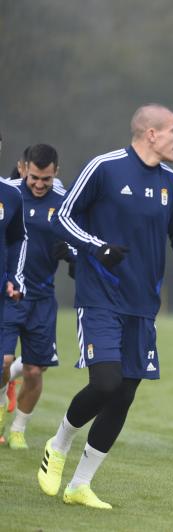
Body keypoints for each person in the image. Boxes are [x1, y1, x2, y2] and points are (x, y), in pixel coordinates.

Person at [37, 103, 173, 509]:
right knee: (105, 382)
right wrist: (97, 246)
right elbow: (63, 217)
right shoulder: (105, 168)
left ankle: (80, 484)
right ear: (151, 134)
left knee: (124, 394)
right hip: (100, 296)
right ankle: (57, 446)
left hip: (143, 305)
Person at [0, 144, 74, 450]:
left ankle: (18, 427)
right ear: (21, 168)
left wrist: (69, 253)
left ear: (55, 172)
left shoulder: (66, 201)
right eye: (33, 177)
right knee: (2, 359)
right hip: (9, 295)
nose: (39, 184)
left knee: (35, 369)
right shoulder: (11, 195)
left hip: (43, 297)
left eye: (46, 178)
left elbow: (78, 242)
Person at [0, 130, 28, 442]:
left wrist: (13, 278)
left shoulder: (9, 196)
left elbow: (18, 238)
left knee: (3, 365)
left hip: (2, 296)